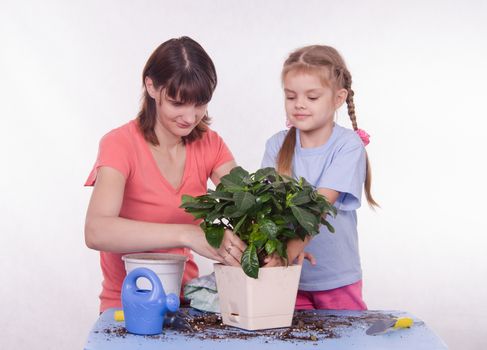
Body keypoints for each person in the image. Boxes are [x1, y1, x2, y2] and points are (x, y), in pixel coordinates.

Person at [84, 37, 246, 313]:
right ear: (151, 87)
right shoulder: (119, 144)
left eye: (200, 104)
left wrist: (284, 239)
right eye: (178, 103)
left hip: (185, 304)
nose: (190, 116)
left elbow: (247, 204)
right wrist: (187, 234)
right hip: (126, 306)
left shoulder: (210, 143)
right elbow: (96, 231)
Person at [261, 45, 378, 310]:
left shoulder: (348, 146)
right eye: (291, 97)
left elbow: (320, 206)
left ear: (338, 98)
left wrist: (286, 254)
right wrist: (275, 260)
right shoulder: (276, 146)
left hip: (337, 280)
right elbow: (265, 208)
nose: (299, 104)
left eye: (312, 97)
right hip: (288, 279)